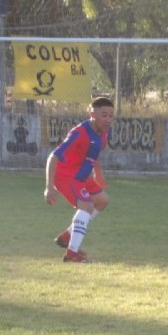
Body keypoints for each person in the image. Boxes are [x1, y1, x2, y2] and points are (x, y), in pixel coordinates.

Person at [44, 96, 115, 263]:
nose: (108, 120)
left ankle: (68, 236)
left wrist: (98, 173)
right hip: (66, 176)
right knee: (87, 206)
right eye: (104, 115)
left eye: (111, 115)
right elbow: (53, 157)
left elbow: (94, 151)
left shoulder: (105, 132)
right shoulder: (79, 133)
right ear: (92, 113)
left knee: (103, 201)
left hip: (81, 176)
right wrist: (48, 187)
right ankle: (72, 253)